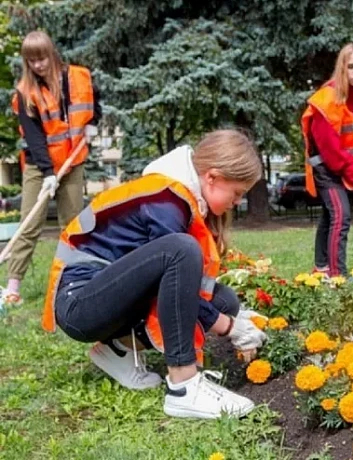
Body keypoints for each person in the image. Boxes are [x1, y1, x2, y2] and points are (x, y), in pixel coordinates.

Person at [43, 129, 268, 419]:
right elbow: (175, 261)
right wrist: (229, 328)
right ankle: (184, 387)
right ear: (212, 177)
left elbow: (178, 289)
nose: (237, 202)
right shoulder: (166, 200)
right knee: (180, 250)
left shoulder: (179, 198)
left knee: (222, 300)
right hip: (80, 304)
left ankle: (119, 349)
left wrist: (230, 318)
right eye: (237, 193)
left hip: (103, 296)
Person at [2, 31, 102, 306]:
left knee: (72, 224)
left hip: (73, 160)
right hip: (39, 165)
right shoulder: (25, 93)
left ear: (52, 54)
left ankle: (77, 281)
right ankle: (13, 287)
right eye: (32, 61)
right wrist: (47, 173)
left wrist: (94, 123)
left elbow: (95, 101)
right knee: (29, 224)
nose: (38, 65)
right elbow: (34, 137)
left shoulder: (79, 77)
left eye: (42, 58)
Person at [301, 42, 353, 277]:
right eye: (350, 66)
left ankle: (321, 269)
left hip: (339, 165)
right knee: (340, 215)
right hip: (325, 166)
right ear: (341, 68)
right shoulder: (328, 98)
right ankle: (337, 277)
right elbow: (331, 150)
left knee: (329, 215)